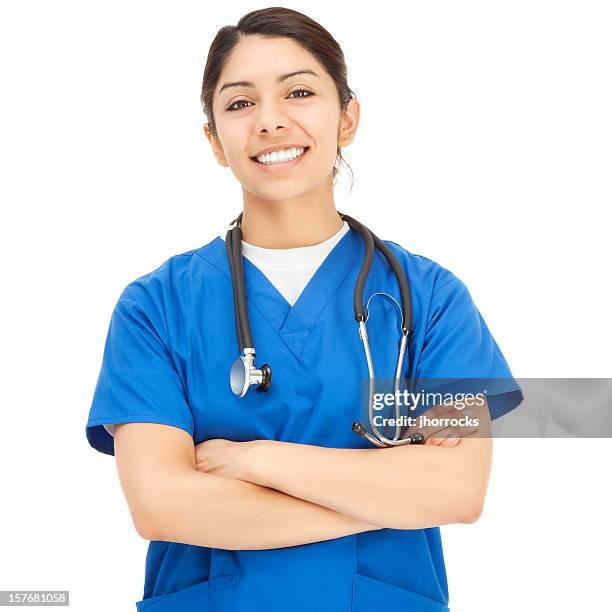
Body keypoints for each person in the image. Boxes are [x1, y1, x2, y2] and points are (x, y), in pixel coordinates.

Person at [85, 7, 523, 611]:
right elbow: (161, 506)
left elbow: (457, 488)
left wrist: (256, 459)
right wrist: (385, 492)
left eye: (299, 92)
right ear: (214, 139)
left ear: (348, 117)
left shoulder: (431, 298)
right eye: (240, 104)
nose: (270, 121)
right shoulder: (155, 307)